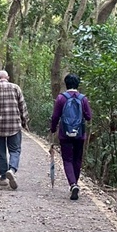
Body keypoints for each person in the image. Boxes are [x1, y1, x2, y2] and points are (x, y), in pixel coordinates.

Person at [0, 70, 30, 190]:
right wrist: (25, 122)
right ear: (7, 77)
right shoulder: (16, 88)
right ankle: (12, 170)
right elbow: (22, 106)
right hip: (14, 125)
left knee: (1, 151)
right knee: (15, 150)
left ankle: (3, 178)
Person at [50, 73, 92, 201]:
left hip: (65, 133)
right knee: (77, 159)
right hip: (80, 134)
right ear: (78, 84)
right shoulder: (83, 98)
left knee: (67, 159)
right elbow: (89, 116)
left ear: (66, 84)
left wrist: (52, 129)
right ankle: (75, 184)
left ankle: (73, 184)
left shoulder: (61, 98)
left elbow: (55, 116)